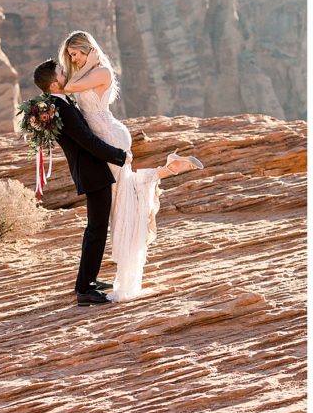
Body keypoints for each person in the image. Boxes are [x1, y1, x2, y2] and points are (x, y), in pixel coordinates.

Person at [58, 30, 203, 300]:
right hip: (103, 136)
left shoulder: (100, 72)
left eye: (76, 53)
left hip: (109, 136)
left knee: (122, 200)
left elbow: (66, 87)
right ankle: (167, 168)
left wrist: (67, 73)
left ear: (88, 49)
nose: (73, 60)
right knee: (120, 198)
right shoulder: (87, 71)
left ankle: (166, 170)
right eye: (70, 57)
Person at [33, 59, 127, 306]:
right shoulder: (60, 107)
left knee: (95, 228)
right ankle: (85, 289)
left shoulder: (61, 103)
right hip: (92, 172)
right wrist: (118, 155)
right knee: (96, 229)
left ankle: (86, 282)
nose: (67, 73)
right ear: (55, 83)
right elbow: (86, 140)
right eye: (62, 72)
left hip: (91, 171)